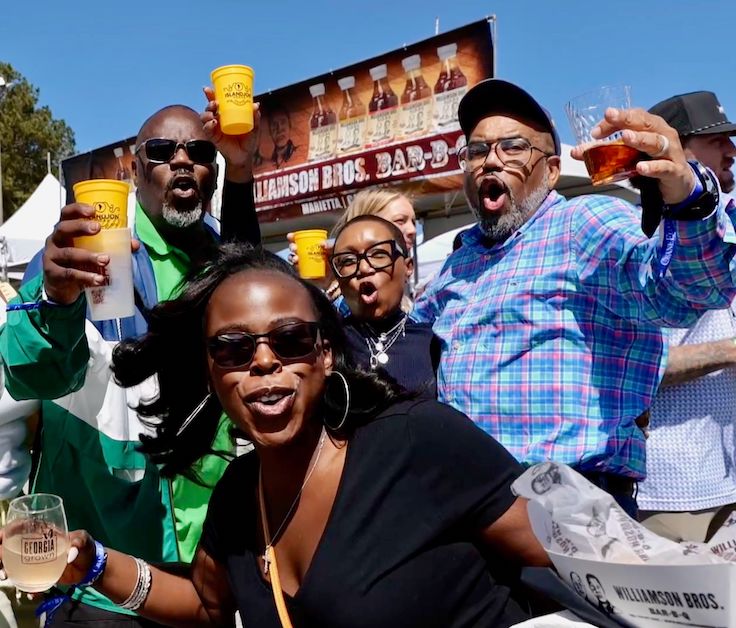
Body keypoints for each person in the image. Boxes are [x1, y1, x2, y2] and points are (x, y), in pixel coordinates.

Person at [9, 243, 550, 628]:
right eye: (234, 349)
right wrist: (95, 564)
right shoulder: (239, 497)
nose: (265, 361)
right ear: (211, 371)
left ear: (325, 352)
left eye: (290, 339)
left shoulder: (417, 440)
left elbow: (587, 561)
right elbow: (207, 606)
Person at [413, 78, 736, 518]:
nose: (490, 160)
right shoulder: (461, 260)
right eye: (476, 150)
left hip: (567, 506)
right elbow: (405, 342)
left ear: (549, 172)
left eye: (512, 148)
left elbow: (685, 292)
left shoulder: (582, 222)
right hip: (464, 505)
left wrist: (690, 201)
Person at [0, 92, 260, 626]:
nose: (184, 159)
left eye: (199, 152)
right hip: (101, 572)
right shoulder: (81, 255)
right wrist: (57, 301)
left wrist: (240, 168)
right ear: (136, 168)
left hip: (209, 563)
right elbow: (33, 375)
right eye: (164, 150)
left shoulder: (229, 262)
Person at [638, 91, 736, 541]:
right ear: (672, 150)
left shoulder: (722, 235)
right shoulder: (641, 251)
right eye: (716, 140)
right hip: (669, 490)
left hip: (725, 478)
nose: (731, 151)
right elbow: (637, 367)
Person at [330, 215, 439, 395]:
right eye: (348, 261)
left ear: (408, 268)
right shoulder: (327, 344)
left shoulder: (434, 343)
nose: (364, 268)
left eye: (379, 254)